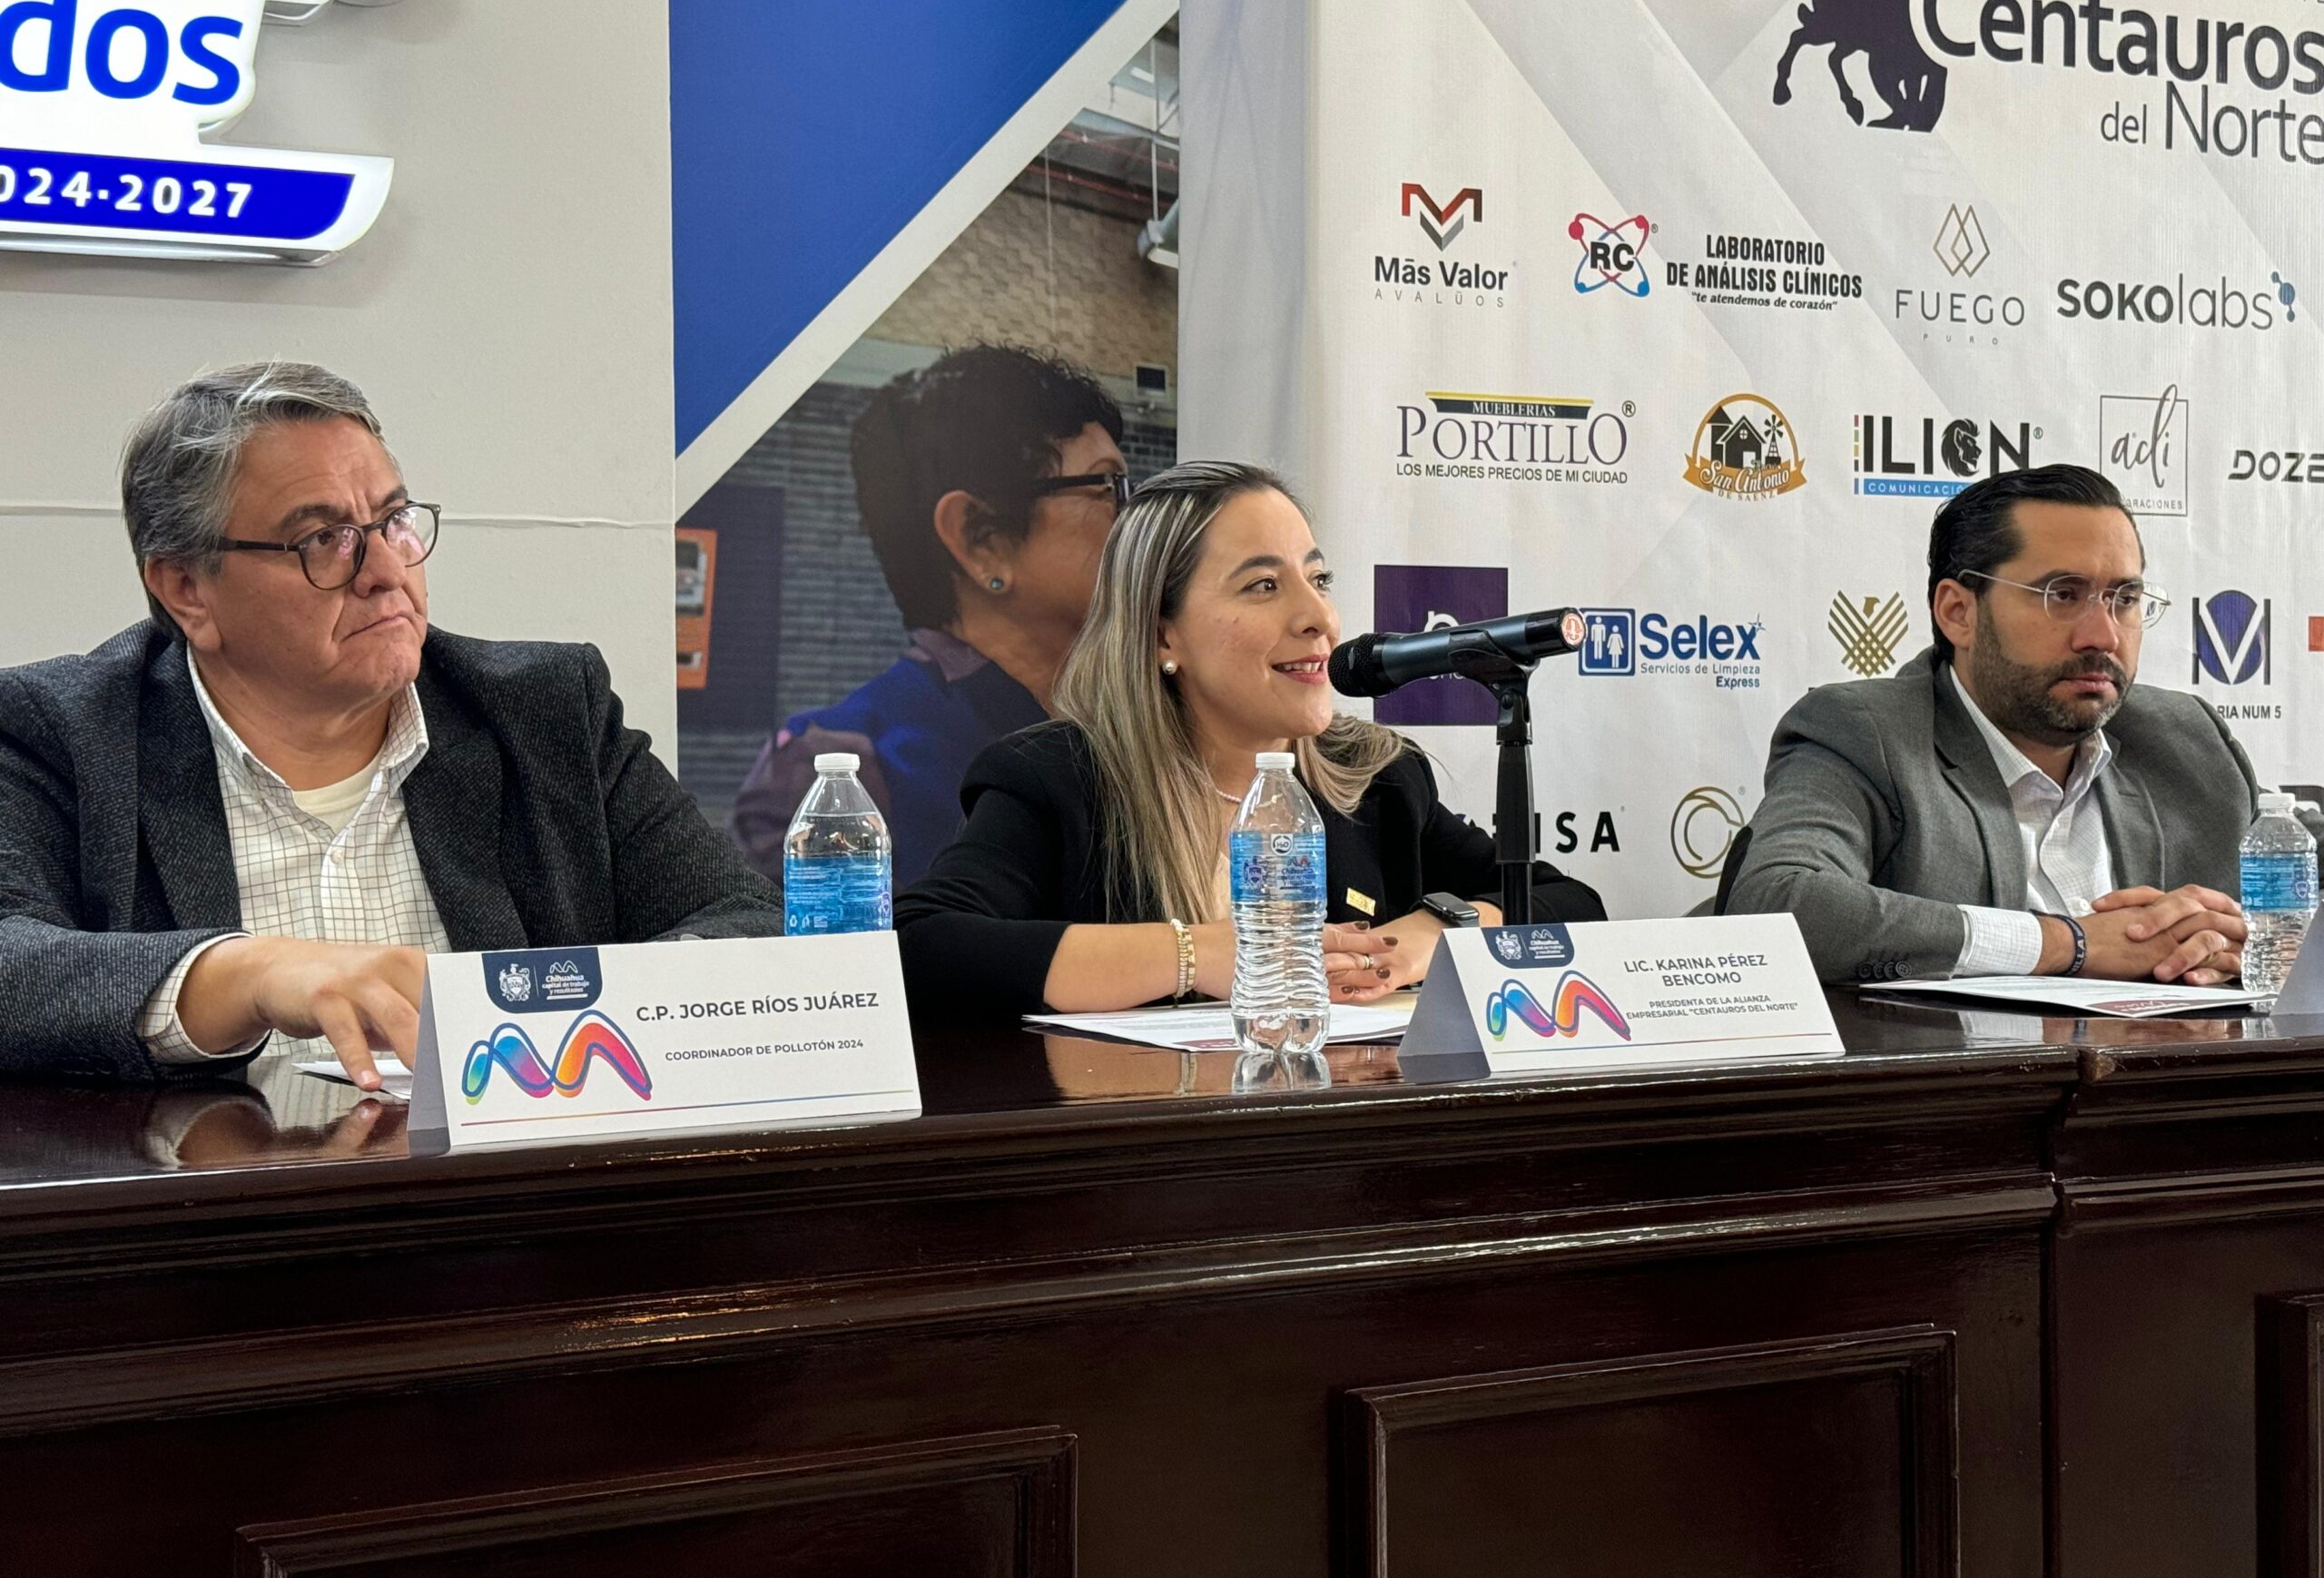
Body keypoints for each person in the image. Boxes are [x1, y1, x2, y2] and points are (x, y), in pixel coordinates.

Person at [0, 362, 781, 1089]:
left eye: (394, 520)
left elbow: (743, 922)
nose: (385, 572)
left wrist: (577, 1008)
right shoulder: (64, 733)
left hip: (510, 1182)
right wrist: (249, 974)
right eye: (323, 539)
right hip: (216, 1189)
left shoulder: (545, 712)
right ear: (186, 590)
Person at [895, 460, 1604, 1017]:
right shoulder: (1057, 779)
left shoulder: (1376, 778)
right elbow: (922, 947)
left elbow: (1567, 902)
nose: (1318, 617)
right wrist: (1198, 955)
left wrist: (1435, 930)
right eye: (1264, 586)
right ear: (1161, 635)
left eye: (1318, 578)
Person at [1726, 465, 2256, 985]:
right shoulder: (1865, 734)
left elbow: (2285, 920)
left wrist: (2239, 944)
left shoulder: (2190, 743)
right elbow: (1777, 905)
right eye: (2063, 595)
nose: (2103, 636)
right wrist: (2068, 944)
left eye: (2126, 599)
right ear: (1958, 613)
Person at [729, 346, 1131, 893]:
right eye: (1107, 488)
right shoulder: (840, 772)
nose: (1135, 523)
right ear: (981, 539)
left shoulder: (1130, 725)